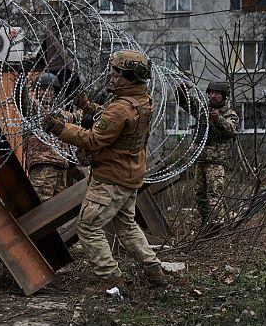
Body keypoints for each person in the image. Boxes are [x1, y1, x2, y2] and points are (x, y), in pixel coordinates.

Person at [41, 50, 166, 292]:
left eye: (117, 74)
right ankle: (154, 271)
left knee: (88, 226)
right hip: (129, 175)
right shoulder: (141, 101)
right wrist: (88, 106)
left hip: (111, 179)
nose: (111, 76)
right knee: (127, 227)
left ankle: (110, 280)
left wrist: (60, 128)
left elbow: (94, 139)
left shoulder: (120, 108)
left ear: (130, 77)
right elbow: (112, 122)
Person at [24, 72, 84, 201]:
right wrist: (22, 80)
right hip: (44, 164)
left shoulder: (59, 113)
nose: (47, 93)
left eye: (50, 89)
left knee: (57, 208)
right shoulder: (34, 109)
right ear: (36, 91)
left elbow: (77, 116)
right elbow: (24, 99)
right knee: (42, 204)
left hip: (61, 167)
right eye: (43, 89)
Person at [192, 81, 238, 235]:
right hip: (201, 159)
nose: (213, 96)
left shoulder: (229, 113)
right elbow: (188, 104)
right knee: (200, 195)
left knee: (214, 194)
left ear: (224, 96)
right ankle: (205, 225)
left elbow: (231, 130)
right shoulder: (204, 109)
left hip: (216, 161)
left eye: (217, 93)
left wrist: (218, 119)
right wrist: (181, 92)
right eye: (211, 93)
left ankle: (215, 228)